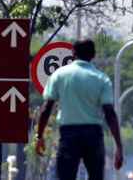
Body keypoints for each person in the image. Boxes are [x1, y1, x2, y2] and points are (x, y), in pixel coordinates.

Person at [36, 38, 124, 179]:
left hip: (68, 135)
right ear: (93, 55)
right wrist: (119, 146)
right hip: (93, 135)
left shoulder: (59, 75)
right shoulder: (101, 78)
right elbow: (110, 114)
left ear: (73, 53)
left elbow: (46, 108)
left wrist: (39, 137)